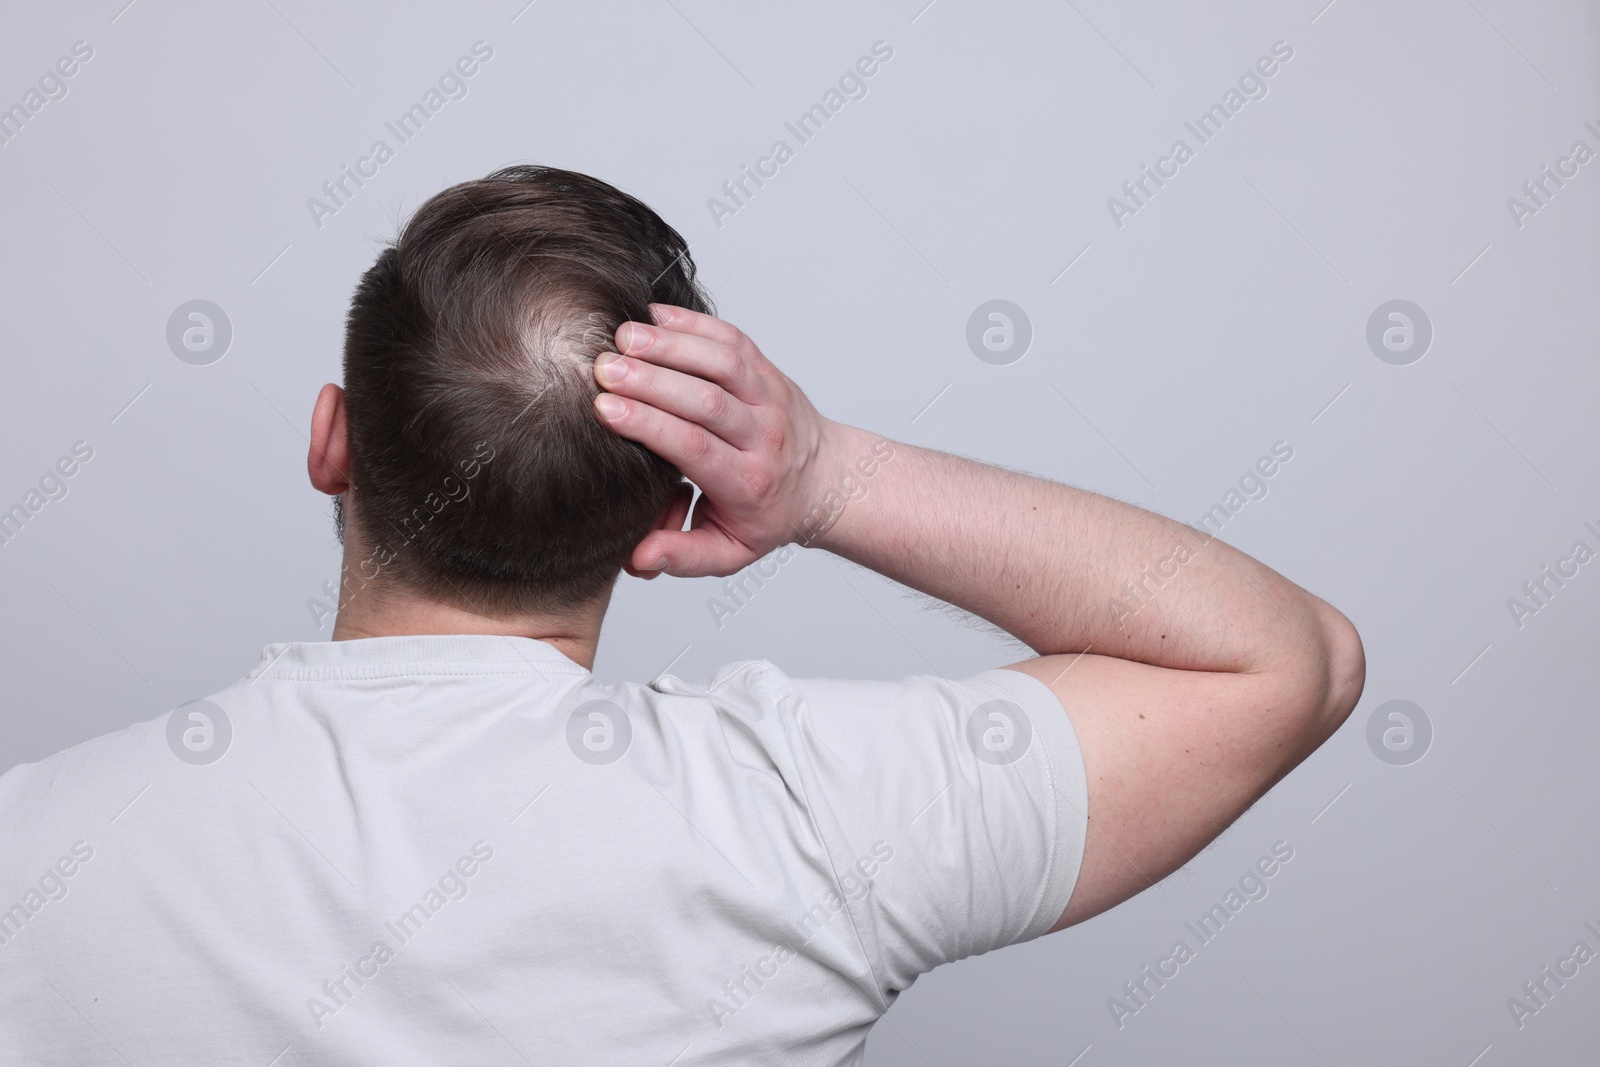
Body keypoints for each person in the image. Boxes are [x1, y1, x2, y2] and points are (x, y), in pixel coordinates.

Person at [0, 165, 1364, 1065]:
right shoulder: (802, 821)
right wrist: (828, 479)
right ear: (669, 505)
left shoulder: (37, 853)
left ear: (333, 442)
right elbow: (1285, 659)